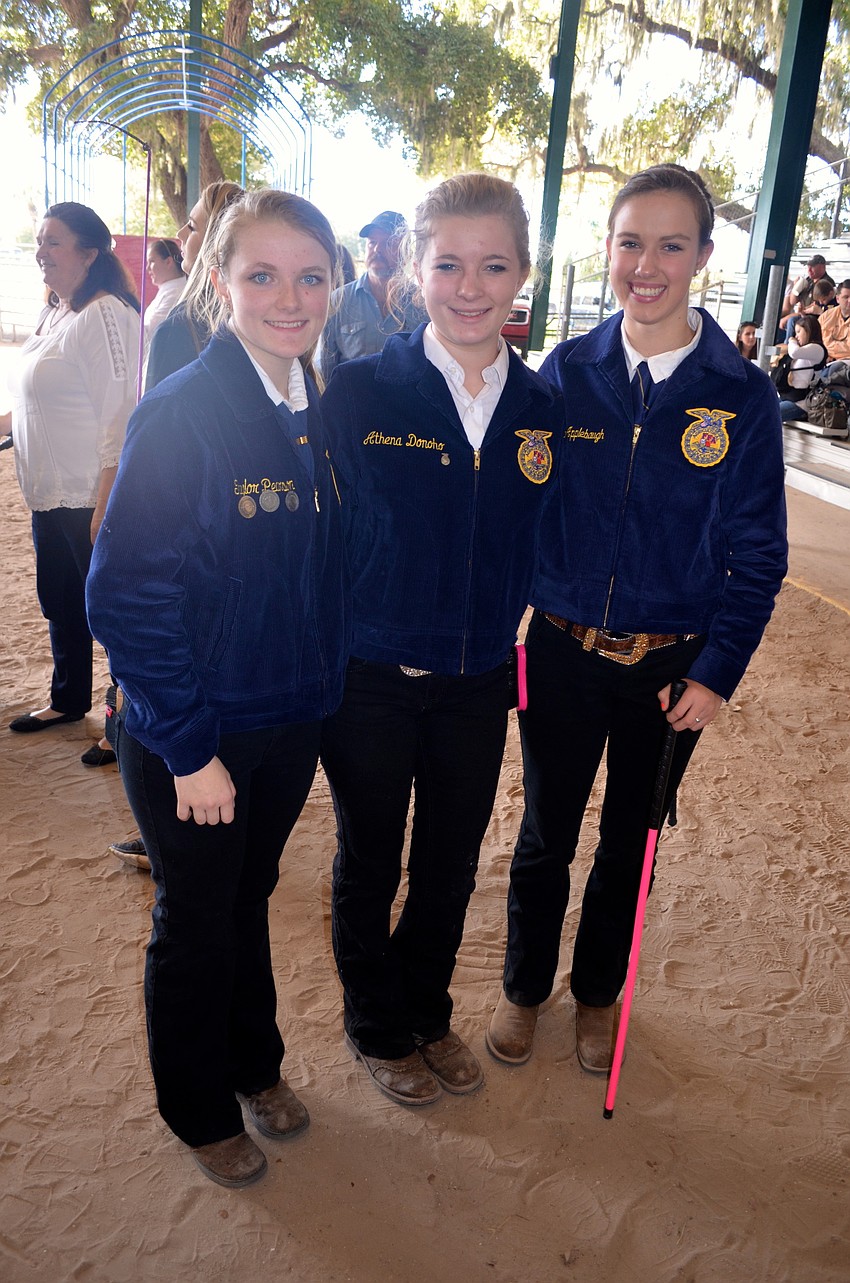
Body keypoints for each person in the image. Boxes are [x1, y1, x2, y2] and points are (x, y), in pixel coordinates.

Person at [485, 164, 787, 1076]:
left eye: (669, 244)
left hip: (670, 668)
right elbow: (515, 513)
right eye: (628, 242)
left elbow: (759, 555)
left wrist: (717, 670)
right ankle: (523, 988)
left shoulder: (741, 395)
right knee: (546, 833)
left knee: (633, 840)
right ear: (606, 249)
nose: (645, 264)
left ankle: (597, 994)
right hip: (563, 652)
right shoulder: (563, 375)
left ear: (701, 255)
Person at [86, 188, 350, 1188]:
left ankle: (255, 1061)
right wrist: (190, 746)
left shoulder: (309, 401)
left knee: (249, 894)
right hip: (194, 729)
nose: (289, 296)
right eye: (262, 274)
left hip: (287, 714)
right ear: (220, 279)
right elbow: (126, 592)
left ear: (335, 284)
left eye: (310, 275)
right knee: (195, 918)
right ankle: (198, 1105)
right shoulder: (186, 410)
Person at [320, 173, 563, 1107]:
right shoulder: (358, 393)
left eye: (493, 265)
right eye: (449, 263)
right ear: (412, 272)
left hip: (477, 680)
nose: (471, 285)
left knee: (452, 861)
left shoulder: (540, 409)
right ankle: (376, 1025)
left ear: (521, 274)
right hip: (372, 675)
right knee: (370, 856)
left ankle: (426, 1010)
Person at [4, 202, 140, 756]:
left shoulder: (105, 314)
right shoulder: (54, 313)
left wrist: (105, 502)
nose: (41, 252)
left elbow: (121, 417)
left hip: (91, 495)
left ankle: (124, 721)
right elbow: (31, 403)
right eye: (39, 241)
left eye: (52, 242)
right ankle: (68, 698)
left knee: (111, 611)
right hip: (49, 494)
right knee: (61, 600)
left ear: (89, 252)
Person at [144, 180, 244, 390]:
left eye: (192, 227)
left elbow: (156, 419)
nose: (180, 234)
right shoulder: (253, 317)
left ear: (215, 241)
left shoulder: (179, 329)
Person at [317, 210, 428, 381]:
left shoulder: (422, 302)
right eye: (372, 243)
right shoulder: (338, 300)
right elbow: (326, 370)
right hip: (352, 405)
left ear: (406, 251)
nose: (377, 249)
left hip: (407, 406)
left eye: (388, 243)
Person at [775, 313, 826, 422]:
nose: (796, 336)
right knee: (760, 410)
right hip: (789, 396)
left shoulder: (817, 348)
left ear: (808, 331)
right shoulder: (804, 350)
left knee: (768, 415)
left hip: (801, 403)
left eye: (799, 332)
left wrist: (791, 340)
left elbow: (794, 352)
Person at [142, 238, 185, 347]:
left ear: (168, 262)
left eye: (151, 261)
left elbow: (153, 332)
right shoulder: (169, 290)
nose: (147, 268)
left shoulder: (176, 293)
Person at [781, 253, 834, 323]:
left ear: (822, 267)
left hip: (815, 317)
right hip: (803, 314)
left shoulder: (826, 283)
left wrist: (792, 315)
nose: (809, 270)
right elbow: (792, 301)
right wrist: (795, 288)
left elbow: (816, 308)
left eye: (812, 267)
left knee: (791, 321)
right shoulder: (808, 280)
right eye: (808, 267)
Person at [818, 278, 850, 364]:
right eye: (846, 297)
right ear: (837, 299)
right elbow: (816, 339)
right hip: (824, 358)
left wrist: (827, 349)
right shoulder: (826, 316)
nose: (849, 301)